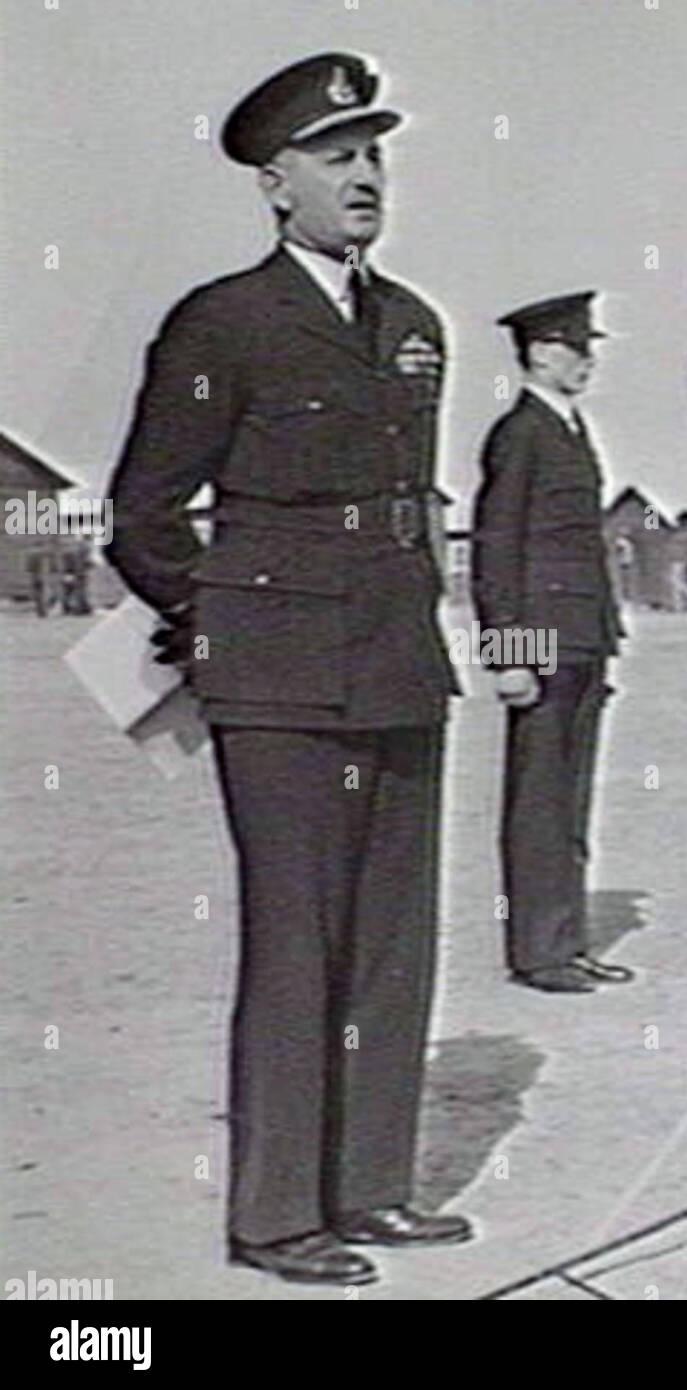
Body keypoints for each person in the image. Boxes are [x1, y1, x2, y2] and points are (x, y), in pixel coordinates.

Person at [106, 51, 472, 1286]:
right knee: (296, 940)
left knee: (391, 943)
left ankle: (370, 1187)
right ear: (275, 184)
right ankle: (273, 1218)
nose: (366, 175)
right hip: (278, 684)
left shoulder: (416, 326)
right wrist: (218, 627)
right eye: (336, 155)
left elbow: (413, 506)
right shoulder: (222, 323)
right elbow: (143, 514)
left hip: (400, 666)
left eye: (375, 152)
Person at [471, 293, 636, 994]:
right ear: (541, 354)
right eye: (576, 348)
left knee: (569, 797)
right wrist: (508, 652)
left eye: (589, 348)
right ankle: (538, 952)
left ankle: (566, 942)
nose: (588, 360)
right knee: (540, 798)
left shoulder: (569, 431)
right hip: (542, 638)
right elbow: (497, 545)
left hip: (582, 635)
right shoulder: (521, 433)